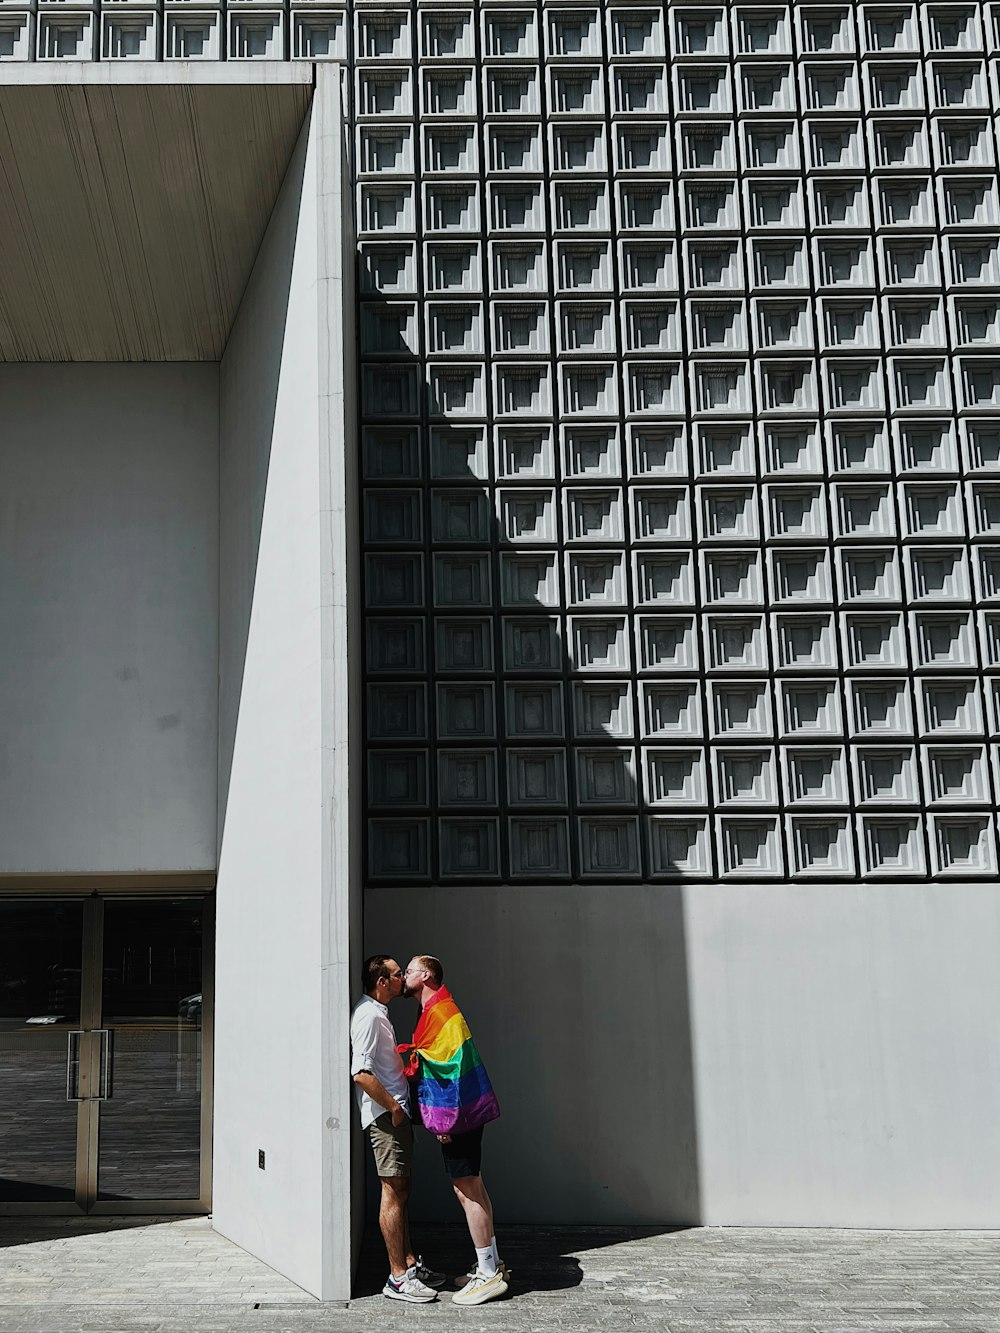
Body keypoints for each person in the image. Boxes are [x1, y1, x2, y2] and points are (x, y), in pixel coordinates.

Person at [400, 955, 510, 1307]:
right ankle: (492, 1264)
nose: (404, 975)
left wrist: (444, 1122)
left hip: (458, 1116)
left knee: (467, 1191)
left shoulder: (442, 1012)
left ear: (427, 975)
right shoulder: (433, 1009)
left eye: (410, 970)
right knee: (473, 1186)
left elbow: (452, 1069)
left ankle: (488, 1275)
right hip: (463, 1115)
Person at [350, 954, 445, 1303]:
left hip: (394, 1119)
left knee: (401, 1192)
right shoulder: (368, 1017)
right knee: (392, 1193)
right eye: (396, 975)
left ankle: (408, 1264)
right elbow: (360, 1073)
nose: (402, 979)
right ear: (381, 982)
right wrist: (393, 1109)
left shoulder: (378, 1013)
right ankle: (398, 1279)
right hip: (386, 1121)